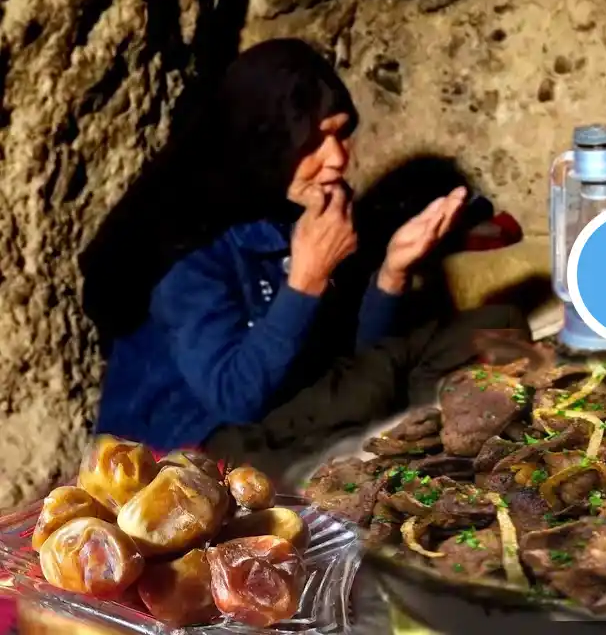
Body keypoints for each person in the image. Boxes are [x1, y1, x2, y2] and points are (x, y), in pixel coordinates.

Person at [93, 38, 527, 468]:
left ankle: (414, 441)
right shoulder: (185, 247)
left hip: (294, 400)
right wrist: (307, 279)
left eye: (340, 133)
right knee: (301, 461)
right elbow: (235, 398)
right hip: (197, 439)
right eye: (312, 141)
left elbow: (359, 354)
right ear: (267, 143)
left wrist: (392, 271)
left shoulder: (301, 206)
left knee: (494, 327)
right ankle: (398, 448)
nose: (336, 158)